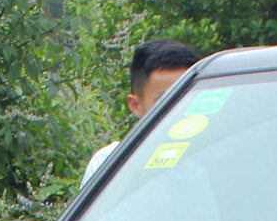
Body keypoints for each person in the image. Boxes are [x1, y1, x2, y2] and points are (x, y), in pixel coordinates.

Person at [82, 38, 202, 185]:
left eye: (187, 99)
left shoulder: (196, 170)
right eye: (165, 101)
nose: (179, 111)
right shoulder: (108, 165)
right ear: (135, 105)